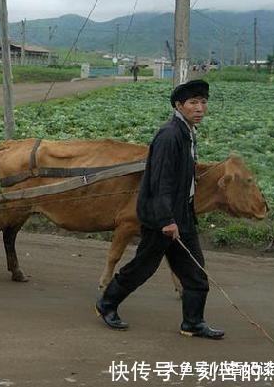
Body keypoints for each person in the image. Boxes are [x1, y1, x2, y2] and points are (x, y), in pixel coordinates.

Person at [95, 79, 224, 340]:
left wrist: (183, 215)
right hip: (162, 218)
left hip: (182, 215)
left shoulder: (187, 132)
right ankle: (106, 304)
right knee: (143, 267)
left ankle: (193, 323)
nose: (200, 108)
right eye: (193, 103)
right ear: (179, 105)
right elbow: (161, 181)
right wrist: (167, 219)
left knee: (195, 270)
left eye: (203, 102)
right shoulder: (170, 135)